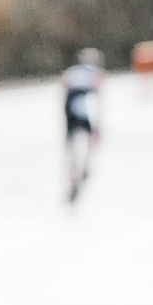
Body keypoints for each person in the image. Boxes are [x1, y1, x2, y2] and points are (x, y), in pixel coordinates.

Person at [62, 47, 103, 204]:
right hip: (85, 111)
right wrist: (99, 126)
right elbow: (97, 100)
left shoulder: (71, 73)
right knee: (89, 141)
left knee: (72, 148)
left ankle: (74, 178)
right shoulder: (95, 74)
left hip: (70, 112)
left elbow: (65, 92)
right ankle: (84, 167)